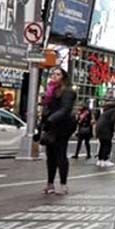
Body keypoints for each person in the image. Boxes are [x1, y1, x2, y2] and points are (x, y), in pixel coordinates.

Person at [40, 68, 77, 196]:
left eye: (58, 74)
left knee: (60, 154)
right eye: (53, 74)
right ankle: (50, 184)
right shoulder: (51, 90)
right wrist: (41, 126)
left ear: (63, 77)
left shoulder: (68, 91)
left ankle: (63, 184)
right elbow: (46, 109)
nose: (54, 76)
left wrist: (50, 119)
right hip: (51, 126)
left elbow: (65, 109)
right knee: (50, 156)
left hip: (62, 126)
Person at [95, 97, 115, 167]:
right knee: (107, 144)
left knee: (102, 144)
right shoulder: (114, 110)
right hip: (106, 129)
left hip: (99, 128)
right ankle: (105, 160)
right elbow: (112, 120)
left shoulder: (106, 110)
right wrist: (113, 130)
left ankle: (100, 160)